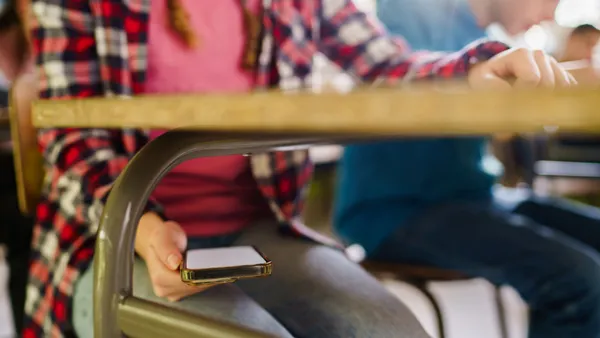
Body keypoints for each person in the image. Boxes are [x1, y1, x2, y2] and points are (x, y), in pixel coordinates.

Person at [25, 0, 572, 337]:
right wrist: (143, 231)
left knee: (392, 332)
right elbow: (73, 137)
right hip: (116, 238)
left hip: (259, 229)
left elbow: (388, 63)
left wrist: (475, 70)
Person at [334, 0, 599, 337]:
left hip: (473, 197)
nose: (550, 16)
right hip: (394, 209)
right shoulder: (411, 9)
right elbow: (397, 77)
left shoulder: (486, 37)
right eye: (550, 1)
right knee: (577, 279)